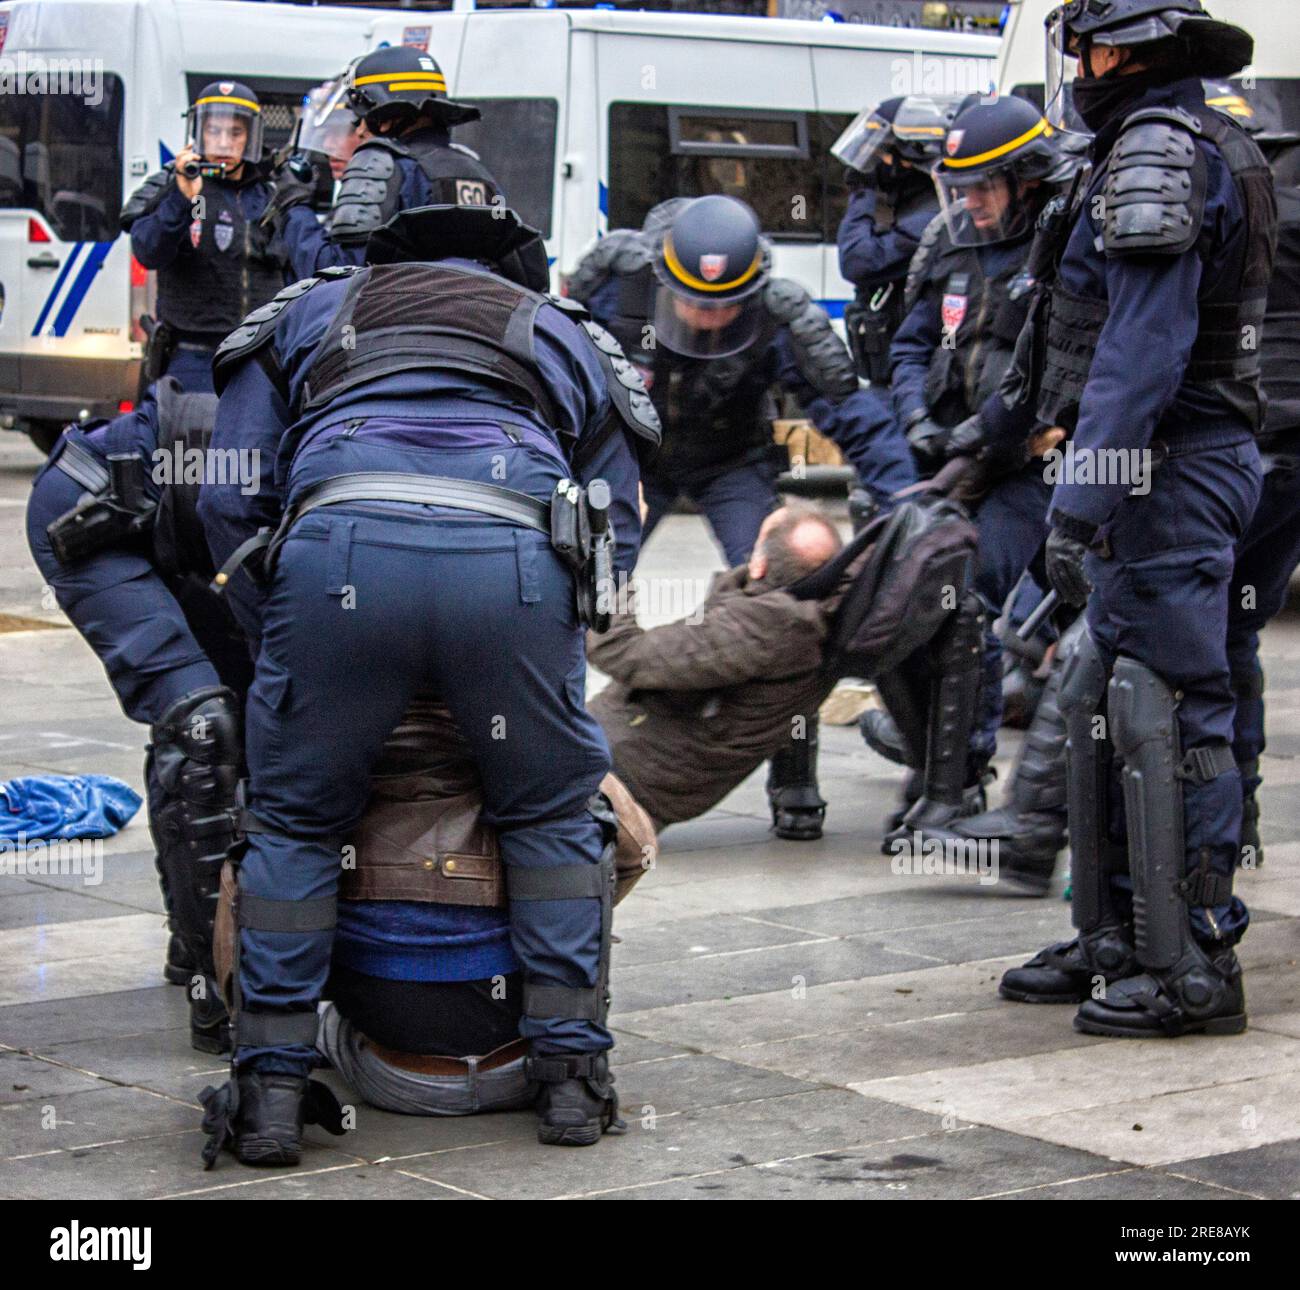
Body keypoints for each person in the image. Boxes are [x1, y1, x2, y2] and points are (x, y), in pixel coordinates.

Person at [194, 202, 658, 1166]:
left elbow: (227, 495)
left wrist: (290, 634)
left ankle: (273, 1095)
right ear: (515, 267)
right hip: (515, 553)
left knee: (294, 823)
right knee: (551, 815)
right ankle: (571, 1080)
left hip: (340, 541)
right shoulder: (566, 328)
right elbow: (614, 519)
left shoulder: (308, 308)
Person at [997, 0, 1275, 1038]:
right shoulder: (1183, 136)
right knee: (1104, 702)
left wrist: (1079, 502)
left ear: (1127, 49)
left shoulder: (1158, 149)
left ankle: (1194, 957)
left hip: (1166, 466)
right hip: (1161, 466)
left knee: (1174, 708)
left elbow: (1141, 354)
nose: (1077, 61)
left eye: (1086, 42)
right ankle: (1116, 931)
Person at [568, 193, 919, 840]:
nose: (707, 318)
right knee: (585, 586)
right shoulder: (613, 282)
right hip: (631, 458)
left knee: (786, 599)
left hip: (729, 459)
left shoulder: (781, 311)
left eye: (725, 304)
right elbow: (555, 376)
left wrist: (907, 503)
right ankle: (558, 762)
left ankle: (794, 784)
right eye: (695, 303)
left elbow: (851, 412)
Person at [863, 95, 1071, 844]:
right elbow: (913, 341)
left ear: (1023, 178)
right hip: (946, 454)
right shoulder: (949, 239)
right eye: (960, 187)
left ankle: (961, 778)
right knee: (893, 589)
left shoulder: (1060, 241)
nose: (970, 203)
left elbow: (1061, 370)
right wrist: (914, 413)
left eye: (984, 186)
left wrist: (988, 443)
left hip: (1026, 465)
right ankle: (932, 769)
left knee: (967, 588)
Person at [25, 380, 253, 1052]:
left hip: (184, 535)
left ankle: (194, 944)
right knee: (203, 725)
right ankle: (222, 989)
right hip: (92, 510)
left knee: (226, 715)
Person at [588, 505, 842, 829]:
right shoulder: (800, 618)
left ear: (759, 563)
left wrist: (614, 549)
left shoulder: (762, 628)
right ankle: (798, 797)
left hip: (616, 774)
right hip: (616, 757)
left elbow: (618, 650)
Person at [266, 46, 502, 280]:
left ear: (386, 116)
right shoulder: (478, 173)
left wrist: (295, 207)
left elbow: (341, 275)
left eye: (363, 118)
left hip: (401, 316)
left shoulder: (384, 164)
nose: (359, 131)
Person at [120, 82, 286, 393]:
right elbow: (147, 249)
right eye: (214, 131)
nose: (224, 142)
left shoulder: (269, 194)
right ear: (199, 132)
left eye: (235, 133)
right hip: (192, 356)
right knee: (189, 441)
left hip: (259, 355)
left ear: (251, 136)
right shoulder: (172, 183)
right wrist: (182, 198)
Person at [834, 94, 961, 384]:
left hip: (914, 374)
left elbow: (857, 261)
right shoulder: (909, 204)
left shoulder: (929, 216)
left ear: (911, 158)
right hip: (897, 370)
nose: (874, 162)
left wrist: (861, 193)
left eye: (881, 152)